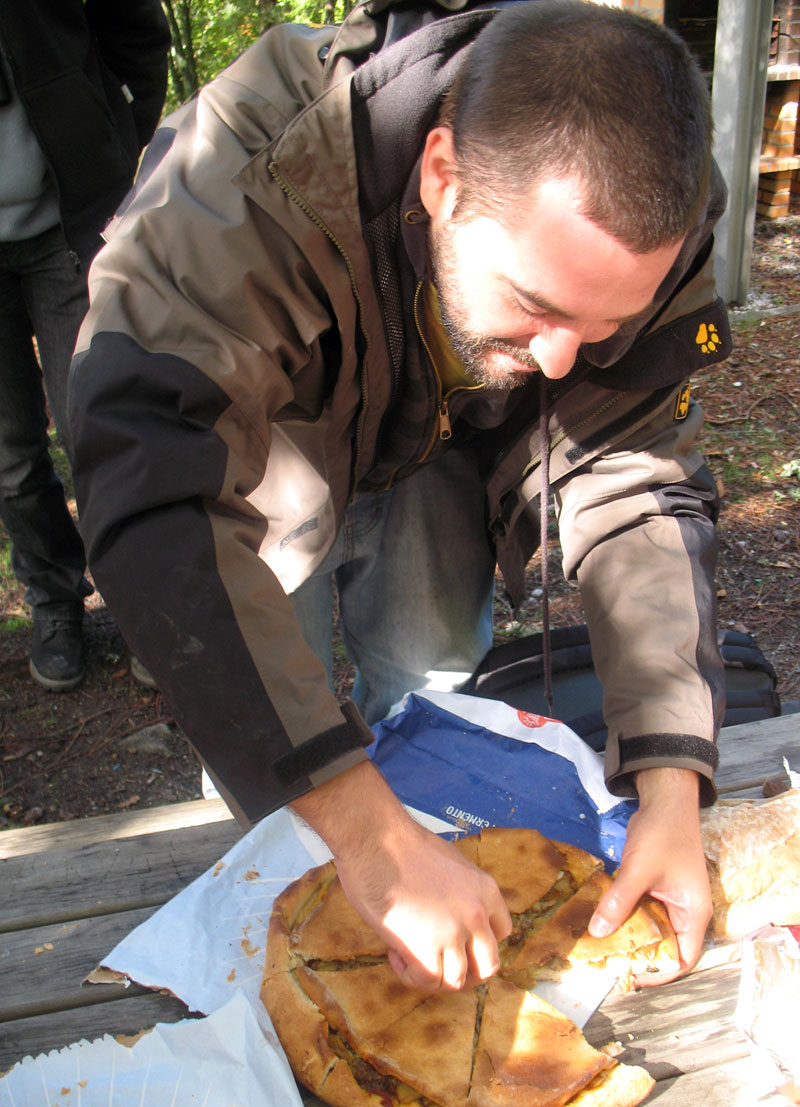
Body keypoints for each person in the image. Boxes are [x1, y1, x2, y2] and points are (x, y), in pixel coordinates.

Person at [69, 0, 731, 993]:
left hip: (444, 438)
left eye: (605, 325)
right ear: (440, 176)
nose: (563, 358)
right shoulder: (245, 177)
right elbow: (156, 493)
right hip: (262, 454)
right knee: (274, 751)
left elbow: (634, 473)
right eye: (537, 306)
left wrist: (671, 786)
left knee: (434, 687)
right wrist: (361, 829)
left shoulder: (650, 210)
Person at [0, 0, 169, 690]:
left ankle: (143, 605)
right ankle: (54, 598)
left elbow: (137, 32)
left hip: (69, 219)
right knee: (10, 452)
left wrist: (113, 139)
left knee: (99, 425)